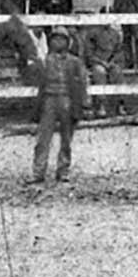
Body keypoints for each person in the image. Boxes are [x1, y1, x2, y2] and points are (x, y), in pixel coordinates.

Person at [31, 28, 90, 183]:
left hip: (67, 100)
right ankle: (38, 172)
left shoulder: (75, 62)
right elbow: (37, 82)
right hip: (49, 100)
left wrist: (84, 102)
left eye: (62, 39)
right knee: (43, 139)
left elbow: (83, 82)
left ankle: (63, 170)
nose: (58, 42)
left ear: (68, 43)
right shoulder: (45, 61)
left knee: (66, 139)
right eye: (55, 39)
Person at [80, 9, 125, 118]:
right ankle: (101, 105)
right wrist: (101, 62)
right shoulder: (92, 33)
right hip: (97, 63)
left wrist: (112, 62)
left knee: (117, 72)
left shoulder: (115, 34)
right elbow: (89, 53)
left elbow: (119, 52)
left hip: (111, 63)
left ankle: (120, 104)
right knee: (100, 72)